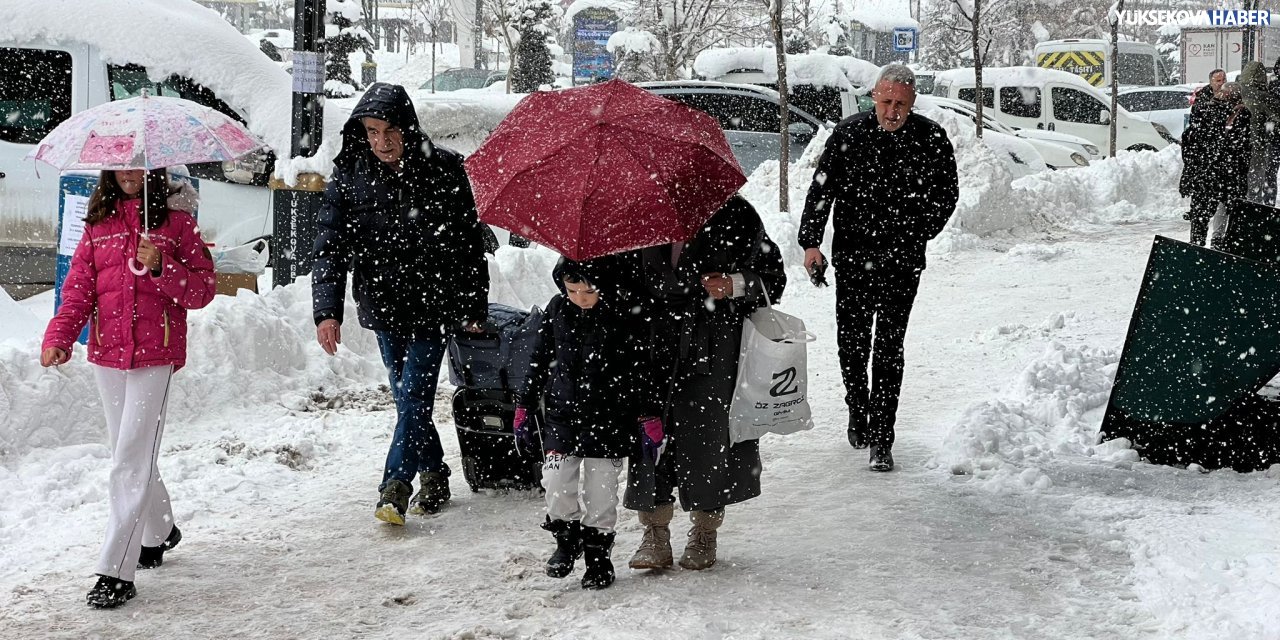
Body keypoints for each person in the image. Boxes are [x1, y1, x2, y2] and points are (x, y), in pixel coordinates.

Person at [312, 83, 490, 524]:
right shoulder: (351, 174)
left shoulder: (444, 170)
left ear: (407, 128)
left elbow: (469, 245)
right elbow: (329, 245)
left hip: (433, 304)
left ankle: (394, 485)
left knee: (413, 396)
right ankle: (434, 472)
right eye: (372, 132)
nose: (382, 142)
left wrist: (473, 306)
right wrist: (327, 310)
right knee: (405, 397)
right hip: (383, 304)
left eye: (390, 130)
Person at [40, 168, 214, 609]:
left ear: (153, 168)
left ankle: (117, 568)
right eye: (120, 164)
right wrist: (60, 336)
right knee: (128, 453)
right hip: (107, 353)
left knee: (130, 461)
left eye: (138, 164)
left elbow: (202, 290)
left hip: (156, 355)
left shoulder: (176, 222)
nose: (129, 173)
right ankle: (158, 531)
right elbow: (78, 287)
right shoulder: (100, 221)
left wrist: (162, 265)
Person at [798, 63, 959, 472]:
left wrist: (919, 230)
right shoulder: (849, 135)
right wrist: (811, 242)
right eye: (886, 101)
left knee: (889, 348)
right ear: (874, 96)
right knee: (852, 344)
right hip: (853, 258)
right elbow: (822, 189)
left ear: (913, 103)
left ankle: (882, 439)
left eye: (901, 104)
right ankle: (858, 408)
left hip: (902, 262)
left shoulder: (930, 139)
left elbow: (946, 195)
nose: (893, 111)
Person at [622, 194, 786, 572]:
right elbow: (621, 278)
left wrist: (734, 284)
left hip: (713, 345)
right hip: (653, 344)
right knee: (651, 432)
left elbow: (773, 277)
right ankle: (655, 532)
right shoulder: (643, 210)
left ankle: (705, 530)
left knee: (710, 438)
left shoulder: (735, 212)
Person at [514, 257, 658, 589]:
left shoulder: (621, 312)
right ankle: (566, 540)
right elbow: (536, 358)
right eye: (572, 290)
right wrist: (524, 405)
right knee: (555, 480)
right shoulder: (556, 310)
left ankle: (598, 558)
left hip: (609, 417)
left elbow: (640, 368)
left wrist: (647, 414)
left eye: (589, 291)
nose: (581, 298)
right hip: (564, 415)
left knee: (601, 491)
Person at [1181, 71, 1249, 247]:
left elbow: (1189, 141)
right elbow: (1241, 150)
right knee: (1228, 210)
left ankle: (1197, 246)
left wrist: (1190, 171)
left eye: (1223, 81)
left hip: (1206, 174)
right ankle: (1220, 244)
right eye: (1218, 80)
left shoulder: (1204, 110)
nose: (1220, 83)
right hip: (1224, 175)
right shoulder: (1237, 115)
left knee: (1201, 215)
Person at [1240, 61, 1280, 205]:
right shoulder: (1264, 97)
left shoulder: (1237, 92)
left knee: (1241, 180)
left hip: (1239, 144)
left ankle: (1236, 212)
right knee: (1258, 178)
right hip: (1259, 144)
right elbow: (1276, 117)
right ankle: (1257, 210)